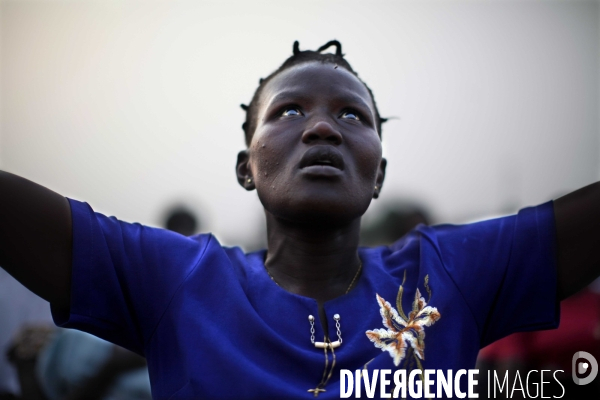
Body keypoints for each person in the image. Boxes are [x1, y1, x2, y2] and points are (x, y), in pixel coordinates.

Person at [0, 40, 598, 399]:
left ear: (378, 176)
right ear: (246, 168)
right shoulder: (181, 279)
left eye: (351, 116)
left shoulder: (448, 271)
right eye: (288, 110)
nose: (321, 127)